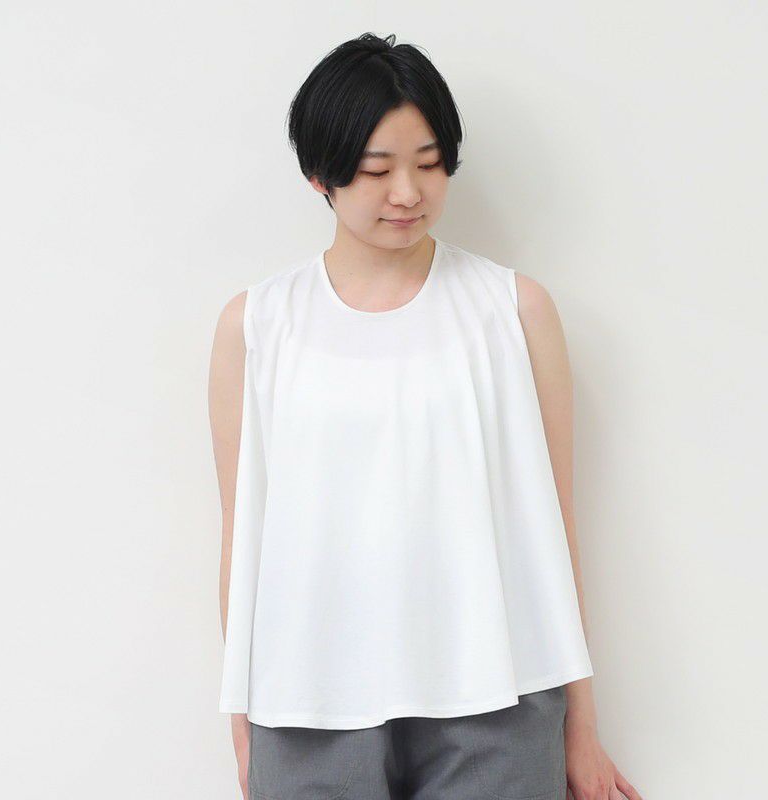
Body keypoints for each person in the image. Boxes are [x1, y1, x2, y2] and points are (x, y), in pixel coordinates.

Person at [209, 32, 642, 800]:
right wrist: (242, 722)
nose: (407, 193)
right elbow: (243, 535)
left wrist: (582, 723)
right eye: (377, 170)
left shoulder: (513, 311)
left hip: (498, 695)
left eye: (431, 162)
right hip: (308, 702)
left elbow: (552, 527)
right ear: (319, 173)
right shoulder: (258, 325)